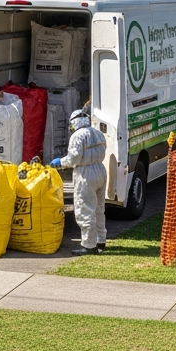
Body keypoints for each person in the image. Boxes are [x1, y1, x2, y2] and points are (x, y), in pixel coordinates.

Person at [51, 109, 107, 255]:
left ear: (74, 122)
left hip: (85, 174)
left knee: (85, 209)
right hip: (100, 169)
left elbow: (73, 158)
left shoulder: (77, 136)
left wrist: (60, 162)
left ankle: (89, 245)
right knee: (99, 209)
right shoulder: (98, 133)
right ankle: (101, 240)